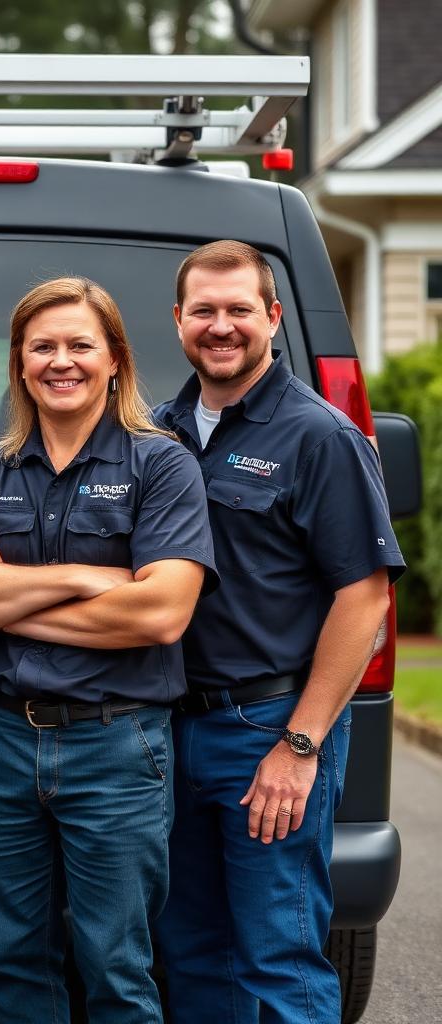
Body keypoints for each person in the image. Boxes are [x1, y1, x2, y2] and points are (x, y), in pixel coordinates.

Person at [0, 277, 218, 1024]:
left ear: (114, 358)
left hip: (117, 746)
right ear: (18, 364)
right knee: (15, 962)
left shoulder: (161, 465)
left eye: (80, 344)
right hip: (3, 743)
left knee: (115, 967)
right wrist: (86, 579)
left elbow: (162, 613)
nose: (61, 361)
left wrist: (3, 595)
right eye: (41, 346)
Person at [153, 240, 406, 1024]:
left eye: (238, 310)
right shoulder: (157, 432)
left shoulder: (319, 436)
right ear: (178, 320)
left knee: (280, 957)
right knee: (192, 952)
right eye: (204, 310)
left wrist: (298, 748)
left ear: (271, 317)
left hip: (266, 729)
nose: (220, 326)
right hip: (167, 729)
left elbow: (364, 601)